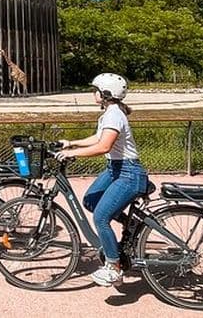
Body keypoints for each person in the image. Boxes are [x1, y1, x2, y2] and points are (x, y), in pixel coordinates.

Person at [56, 73, 149, 287]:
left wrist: (73, 154)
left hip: (128, 172)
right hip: (115, 169)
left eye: (95, 90)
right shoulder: (110, 112)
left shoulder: (114, 114)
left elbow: (103, 147)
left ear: (105, 94)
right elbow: (98, 138)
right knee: (90, 200)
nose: (93, 93)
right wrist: (72, 143)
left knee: (100, 217)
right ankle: (129, 223)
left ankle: (113, 267)